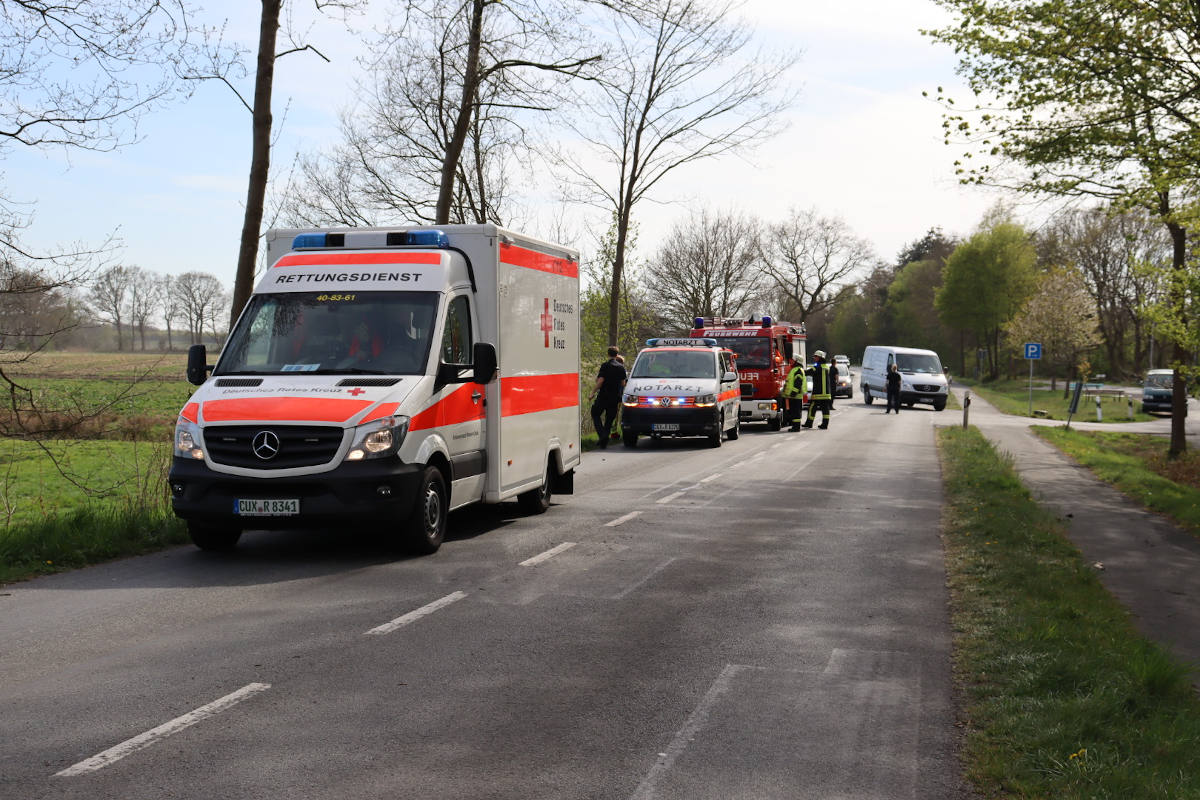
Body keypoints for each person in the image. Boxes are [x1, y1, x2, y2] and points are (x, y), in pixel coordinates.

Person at [590, 346, 627, 449]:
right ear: (617, 354)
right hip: (614, 397)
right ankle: (604, 438)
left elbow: (600, 381)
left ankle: (602, 436)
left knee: (595, 413)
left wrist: (592, 392)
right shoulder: (621, 367)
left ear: (608, 354)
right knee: (609, 419)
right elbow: (623, 383)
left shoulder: (605, 366)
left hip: (603, 396)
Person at [803, 349, 837, 429]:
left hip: (818, 393)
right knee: (825, 410)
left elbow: (807, 373)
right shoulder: (826, 367)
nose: (814, 358)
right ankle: (825, 425)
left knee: (812, 408)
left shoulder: (817, 368)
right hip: (827, 394)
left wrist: (800, 370)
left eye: (815, 356)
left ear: (820, 358)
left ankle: (809, 423)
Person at [782, 354, 807, 431]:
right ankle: (795, 426)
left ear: (797, 361)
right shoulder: (795, 369)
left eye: (792, 360)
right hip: (793, 396)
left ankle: (796, 427)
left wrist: (793, 393)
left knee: (796, 412)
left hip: (795, 396)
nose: (790, 361)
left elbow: (798, 383)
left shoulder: (798, 370)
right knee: (794, 412)